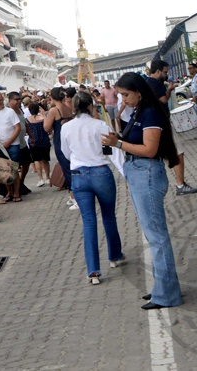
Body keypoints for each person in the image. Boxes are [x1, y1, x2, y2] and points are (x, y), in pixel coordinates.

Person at [104, 73, 183, 309]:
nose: (123, 100)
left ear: (139, 91)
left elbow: (149, 149)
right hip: (139, 172)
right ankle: (164, 288)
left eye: (126, 95)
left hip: (146, 172)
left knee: (157, 237)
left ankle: (166, 294)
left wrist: (117, 143)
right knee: (154, 235)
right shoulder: (140, 111)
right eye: (120, 96)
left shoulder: (150, 112)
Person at [60, 93, 124, 284]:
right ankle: (114, 256)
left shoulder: (66, 128)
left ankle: (93, 271)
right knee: (108, 216)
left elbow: (66, 152)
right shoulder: (100, 125)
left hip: (79, 175)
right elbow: (110, 151)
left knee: (88, 222)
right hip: (101, 172)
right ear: (90, 106)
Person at [144, 60, 197, 195]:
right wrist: (169, 90)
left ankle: (163, 187)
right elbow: (163, 100)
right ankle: (180, 185)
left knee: (164, 154)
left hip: (156, 123)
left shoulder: (147, 83)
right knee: (177, 152)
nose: (166, 74)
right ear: (157, 71)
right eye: (164, 72)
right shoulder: (154, 83)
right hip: (162, 123)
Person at [0, 92, 22, 203]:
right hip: (0, 146)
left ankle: (17, 192)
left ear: (3, 100)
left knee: (14, 169)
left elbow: (18, 128)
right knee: (4, 170)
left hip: (13, 144)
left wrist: (9, 141)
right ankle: (10, 192)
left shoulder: (10, 111)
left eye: (0, 100)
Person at [44, 87, 75, 205]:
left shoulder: (54, 110)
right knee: (71, 167)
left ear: (52, 97)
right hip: (69, 140)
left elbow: (47, 127)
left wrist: (45, 116)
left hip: (59, 141)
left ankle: (74, 196)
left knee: (66, 168)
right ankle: (72, 194)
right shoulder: (67, 108)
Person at [25, 100, 52, 187]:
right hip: (44, 140)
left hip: (33, 142)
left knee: (36, 160)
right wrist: (43, 114)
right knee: (45, 160)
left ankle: (40, 179)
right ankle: (48, 177)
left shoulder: (27, 120)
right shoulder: (43, 118)